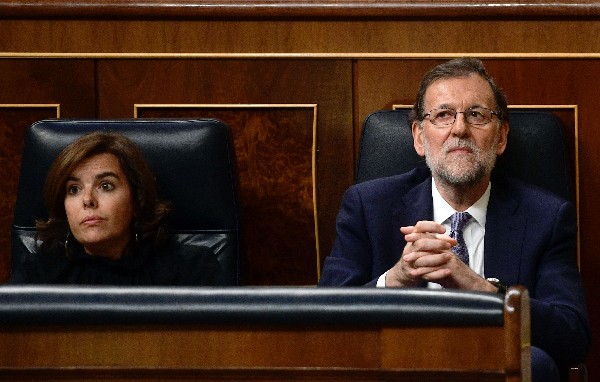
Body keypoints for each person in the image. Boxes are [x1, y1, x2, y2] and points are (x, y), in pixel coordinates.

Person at [318, 58, 590, 381]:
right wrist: (396, 280)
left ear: (501, 136)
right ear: (419, 137)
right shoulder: (367, 207)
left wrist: (487, 292)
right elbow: (325, 321)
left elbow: (572, 334)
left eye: (476, 115)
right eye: (443, 115)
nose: (459, 129)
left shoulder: (545, 218)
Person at [10, 131, 225, 286]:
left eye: (106, 186)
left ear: (137, 199)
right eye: (73, 189)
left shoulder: (192, 270)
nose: (87, 199)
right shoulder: (37, 276)